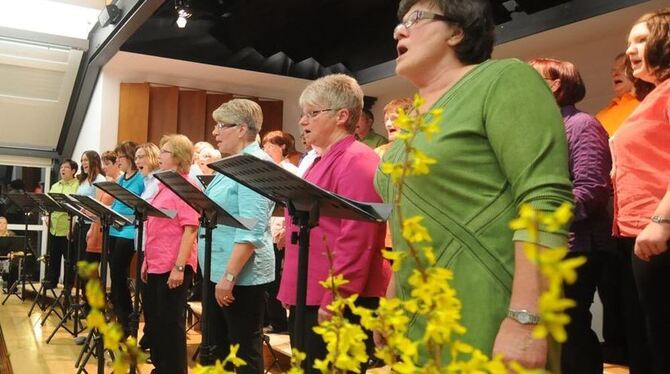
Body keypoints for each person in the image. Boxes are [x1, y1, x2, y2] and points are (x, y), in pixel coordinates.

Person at [374, 0, 574, 368]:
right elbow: (408, 221)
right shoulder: (415, 120)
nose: (398, 30)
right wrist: (392, 298)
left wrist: (527, 321)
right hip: (422, 310)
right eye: (399, 23)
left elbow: (545, 199)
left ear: (457, 31)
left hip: (488, 302)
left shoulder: (503, 79)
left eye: (415, 19)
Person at [277, 74, 391, 373]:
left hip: (334, 295)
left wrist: (336, 299)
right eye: (303, 114)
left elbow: (357, 238)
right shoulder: (320, 159)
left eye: (313, 113)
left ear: (342, 116)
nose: (303, 121)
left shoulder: (357, 160)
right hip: (311, 290)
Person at [529, 58, 612, 374]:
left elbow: (591, 189)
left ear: (556, 84)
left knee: (571, 329)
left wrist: (543, 219)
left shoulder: (581, 124)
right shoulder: (544, 131)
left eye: (532, 78)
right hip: (549, 246)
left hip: (576, 246)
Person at [611, 9, 670, 374]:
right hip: (637, 232)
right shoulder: (654, 95)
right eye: (628, 42)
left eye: (641, 40)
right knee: (650, 340)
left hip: (659, 230)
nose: (631, 50)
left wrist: (663, 220)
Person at [201, 99, 275, 373]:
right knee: (221, 347)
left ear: (242, 129)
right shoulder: (235, 162)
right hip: (220, 268)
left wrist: (228, 277)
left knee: (244, 350)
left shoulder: (254, 165)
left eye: (221, 126)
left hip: (239, 275)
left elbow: (251, 228)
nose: (215, 132)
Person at [142, 134, 200, 374]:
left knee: (171, 323)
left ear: (177, 157)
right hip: (155, 262)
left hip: (174, 264)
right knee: (155, 322)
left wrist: (179, 267)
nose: (160, 157)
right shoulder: (163, 185)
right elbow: (154, 226)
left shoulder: (185, 186)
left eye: (164, 152)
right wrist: (146, 261)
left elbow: (190, 229)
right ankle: (160, 367)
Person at [109, 141, 145, 336]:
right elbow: (116, 204)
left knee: (118, 275)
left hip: (129, 232)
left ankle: (127, 320)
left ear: (129, 157)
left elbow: (141, 208)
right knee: (115, 277)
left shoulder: (140, 179)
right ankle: (120, 318)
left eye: (119, 158)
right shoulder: (122, 179)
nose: (117, 161)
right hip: (114, 230)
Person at [44, 159, 80, 289]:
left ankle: (68, 285)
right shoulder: (55, 186)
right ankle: (51, 281)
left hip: (68, 227)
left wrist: (73, 226)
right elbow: (47, 203)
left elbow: (78, 207)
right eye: (61, 167)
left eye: (66, 167)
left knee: (69, 259)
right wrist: (46, 216)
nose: (62, 170)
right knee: (53, 257)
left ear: (74, 170)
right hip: (54, 227)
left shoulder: (78, 185)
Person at [596, 53, 640, 137]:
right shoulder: (600, 115)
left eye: (622, 68)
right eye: (613, 70)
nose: (615, 74)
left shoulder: (647, 102)